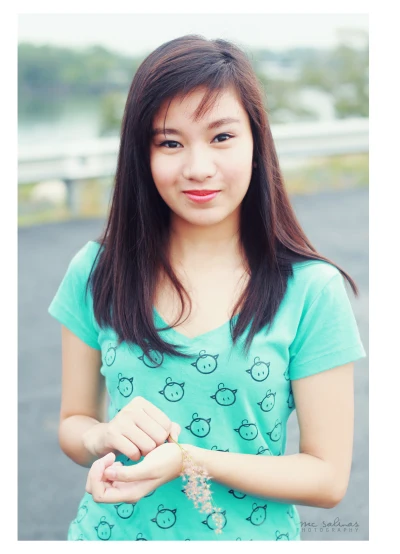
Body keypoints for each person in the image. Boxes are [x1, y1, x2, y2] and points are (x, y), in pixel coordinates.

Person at [47, 34, 366, 541]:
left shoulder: (310, 290)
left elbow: (327, 478)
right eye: (170, 143)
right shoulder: (98, 270)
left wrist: (189, 460)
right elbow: (73, 422)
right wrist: (101, 434)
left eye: (221, 138)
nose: (198, 168)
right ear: (142, 154)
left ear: (257, 143)